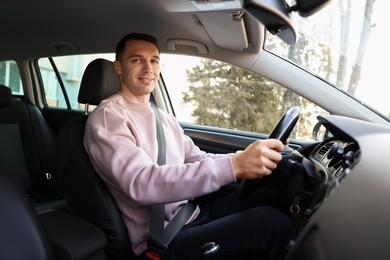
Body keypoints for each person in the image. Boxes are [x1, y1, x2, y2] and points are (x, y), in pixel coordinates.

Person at [84, 32, 295, 259]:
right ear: (119, 67)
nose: (148, 68)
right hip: (162, 240)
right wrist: (234, 166)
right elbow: (141, 182)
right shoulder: (108, 118)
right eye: (137, 60)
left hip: (189, 215)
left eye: (154, 60)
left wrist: (247, 157)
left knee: (272, 193)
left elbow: (196, 158)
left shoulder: (163, 118)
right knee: (271, 225)